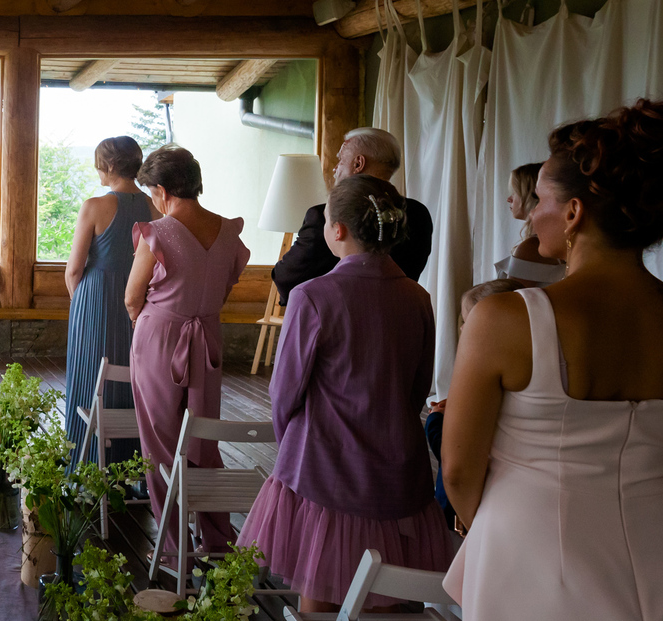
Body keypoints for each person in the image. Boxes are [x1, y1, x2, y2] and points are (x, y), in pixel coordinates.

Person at [442, 100, 663, 621]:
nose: (530, 214)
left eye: (538, 199)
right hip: (651, 546)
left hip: (529, 558)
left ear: (573, 214)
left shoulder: (507, 318)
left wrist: (478, 527)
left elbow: (459, 469)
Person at [237, 175, 450, 621]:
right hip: (399, 474)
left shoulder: (314, 296)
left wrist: (290, 444)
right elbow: (419, 387)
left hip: (324, 469)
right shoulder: (417, 297)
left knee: (318, 594)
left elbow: (286, 393)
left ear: (336, 230)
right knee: (391, 604)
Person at [125, 146, 249, 555]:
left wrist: (152, 324)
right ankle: (217, 540)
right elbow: (224, 289)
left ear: (162, 190)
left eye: (152, 192)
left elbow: (132, 297)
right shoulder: (228, 232)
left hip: (160, 337)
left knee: (159, 443)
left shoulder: (158, 232)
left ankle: (174, 546)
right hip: (207, 337)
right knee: (203, 438)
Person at [62, 136, 155, 467]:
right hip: (139, 300)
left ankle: (84, 461)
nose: (97, 169)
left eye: (99, 163)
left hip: (95, 298)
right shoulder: (154, 207)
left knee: (90, 373)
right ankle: (129, 462)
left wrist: (81, 305)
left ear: (111, 165)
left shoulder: (94, 206)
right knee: (132, 372)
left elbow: (74, 269)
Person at [271, 127, 433, 305]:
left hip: (334, 316)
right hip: (399, 316)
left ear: (358, 164)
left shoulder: (329, 216)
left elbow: (286, 278)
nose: (335, 168)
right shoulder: (419, 215)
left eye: (340, 159)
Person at [424, 278, 519, 533]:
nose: (463, 328)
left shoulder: (479, 375)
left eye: (467, 321)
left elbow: (455, 458)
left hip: (463, 511)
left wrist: (435, 419)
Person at [493, 161, 564, 285]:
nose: (509, 199)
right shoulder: (550, 243)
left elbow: (512, 296)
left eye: (515, 192)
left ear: (532, 196)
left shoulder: (533, 247)